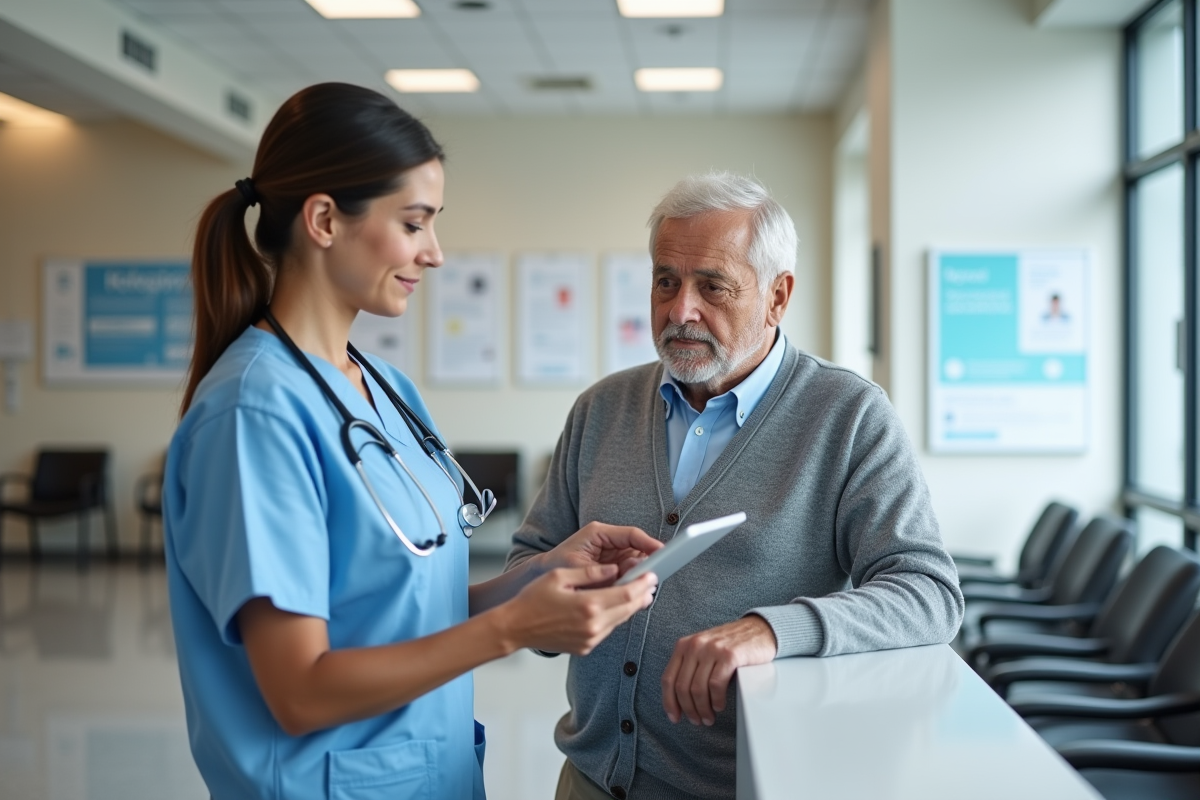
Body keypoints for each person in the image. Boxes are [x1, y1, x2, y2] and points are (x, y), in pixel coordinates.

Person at [162, 82, 661, 800]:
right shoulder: (254, 414)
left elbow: (393, 610)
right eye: (415, 223)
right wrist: (514, 629)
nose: (435, 254)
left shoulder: (386, 388)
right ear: (325, 220)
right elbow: (299, 690)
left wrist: (530, 580)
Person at [507, 172, 965, 800]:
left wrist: (771, 631)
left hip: (744, 784)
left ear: (778, 296)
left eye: (712, 286)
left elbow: (928, 593)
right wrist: (562, 594)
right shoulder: (601, 409)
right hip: (588, 778)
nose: (680, 310)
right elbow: (528, 564)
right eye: (665, 281)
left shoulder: (848, 415)